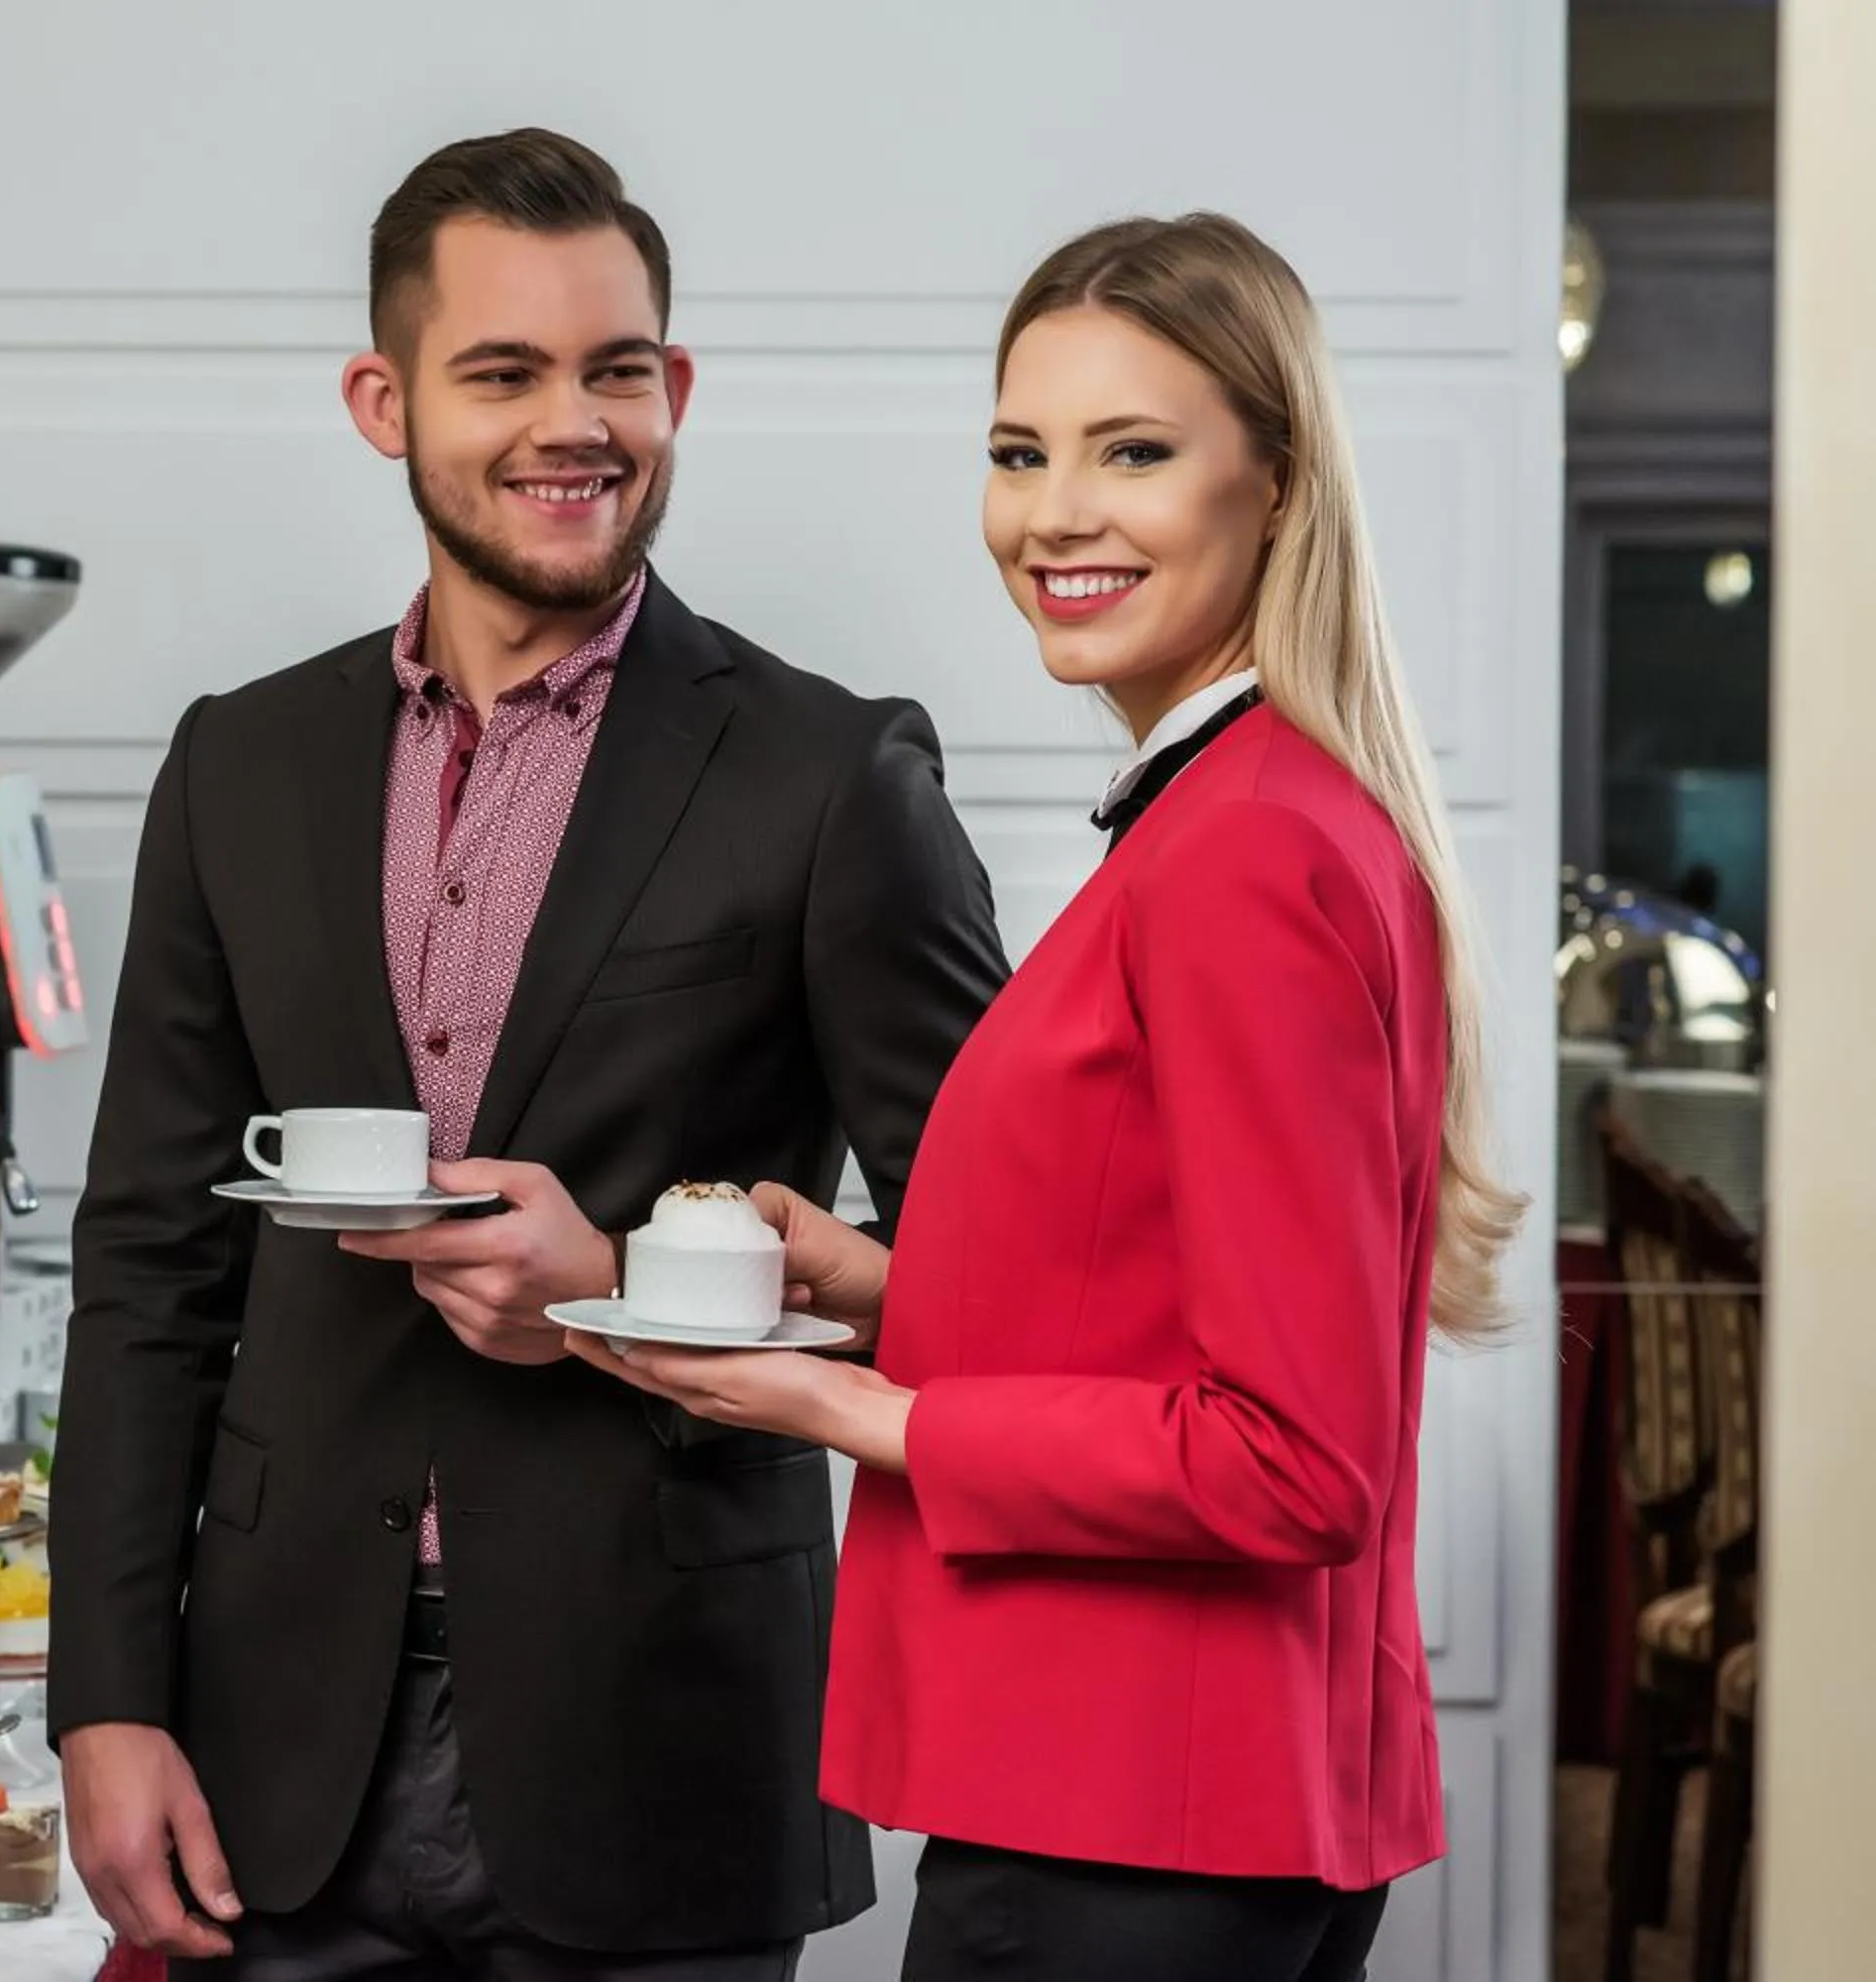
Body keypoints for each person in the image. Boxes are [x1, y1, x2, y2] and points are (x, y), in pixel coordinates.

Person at [49, 128, 1008, 1982]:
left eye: (618, 369)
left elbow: (1009, 1282)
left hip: (671, 1744)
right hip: (270, 1744)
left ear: (678, 388)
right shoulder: (236, 767)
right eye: (504, 372)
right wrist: (109, 1700)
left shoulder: (834, 777)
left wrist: (625, 1291)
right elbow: (150, 1267)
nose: (574, 423)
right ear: (383, 400)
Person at [573, 211, 1527, 1982]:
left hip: (1131, 1830)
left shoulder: (1241, 853)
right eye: (1020, 454)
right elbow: (1154, 1282)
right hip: (1208, 1813)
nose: (1053, 516)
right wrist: (875, 1292)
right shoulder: (1259, 814)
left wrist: (861, 1418)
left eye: (1134, 451)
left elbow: (1288, 1459)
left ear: (1279, 481)